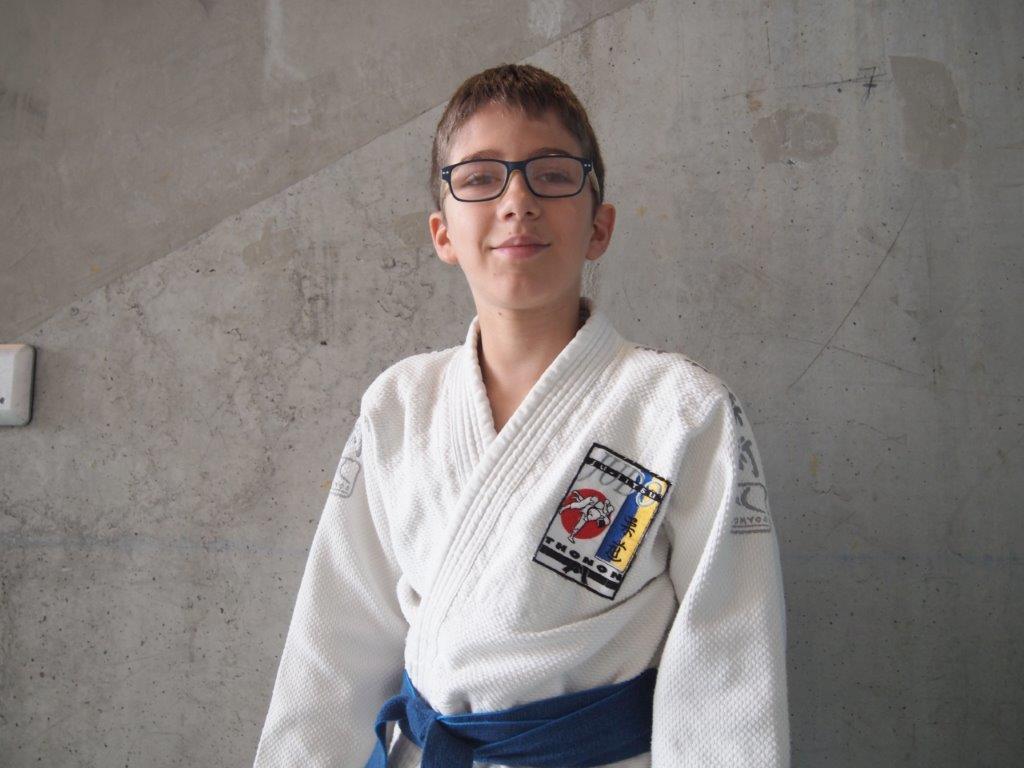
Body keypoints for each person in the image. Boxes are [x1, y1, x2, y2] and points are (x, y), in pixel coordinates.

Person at [252, 63, 789, 768]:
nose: (518, 201)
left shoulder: (682, 412)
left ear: (599, 227)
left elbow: (729, 662)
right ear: (443, 234)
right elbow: (332, 644)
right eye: (480, 177)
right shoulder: (399, 404)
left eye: (553, 174)